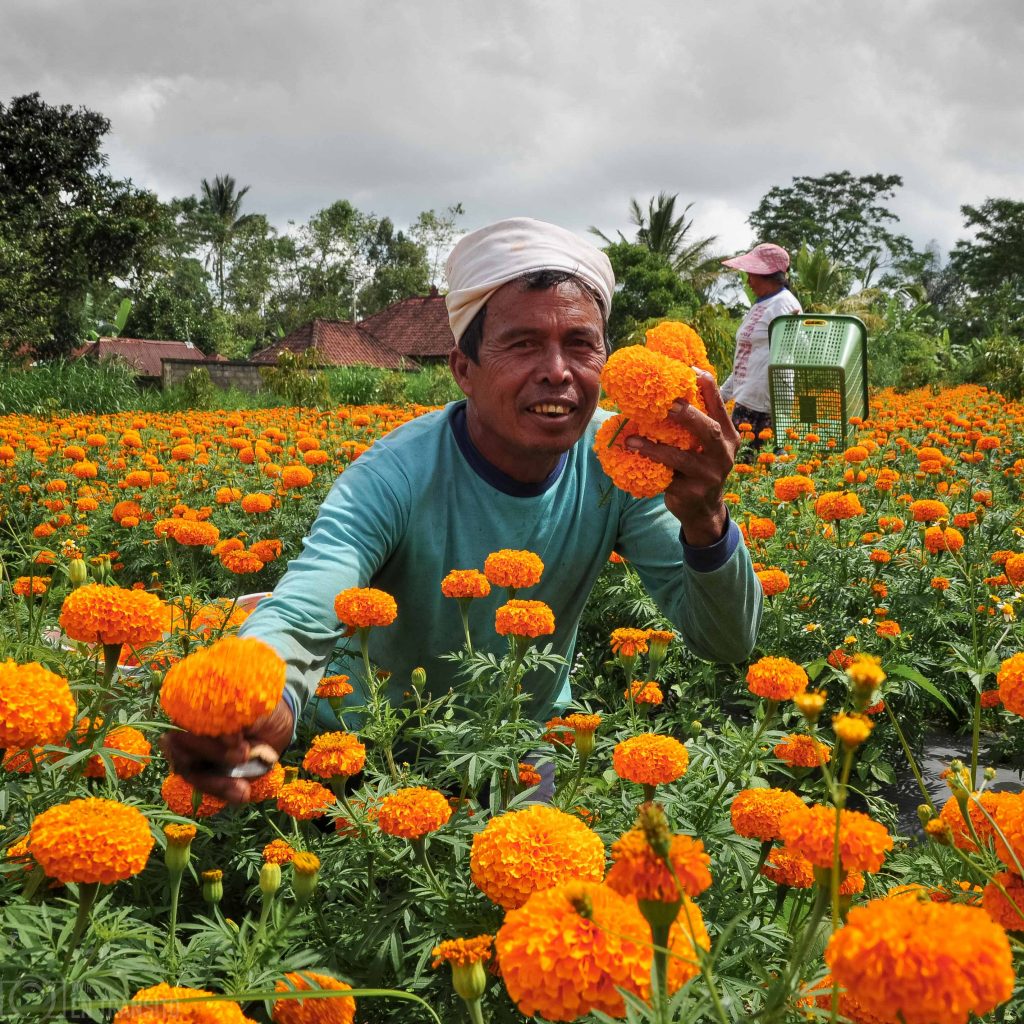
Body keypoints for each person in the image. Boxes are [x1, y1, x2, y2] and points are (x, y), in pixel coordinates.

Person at [162, 217, 763, 802]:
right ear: (463, 370)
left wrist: (705, 519)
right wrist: (261, 700)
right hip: (371, 747)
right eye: (523, 344)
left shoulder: (620, 461)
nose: (558, 372)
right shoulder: (393, 476)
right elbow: (307, 603)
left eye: (580, 345)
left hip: (515, 745)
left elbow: (727, 642)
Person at [718, 243, 802, 452]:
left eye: (752, 275)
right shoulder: (762, 304)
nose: (748, 281)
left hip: (763, 405)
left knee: (753, 471)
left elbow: (798, 350)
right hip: (746, 399)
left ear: (767, 275)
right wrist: (723, 393)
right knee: (740, 469)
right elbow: (748, 356)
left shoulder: (785, 306)